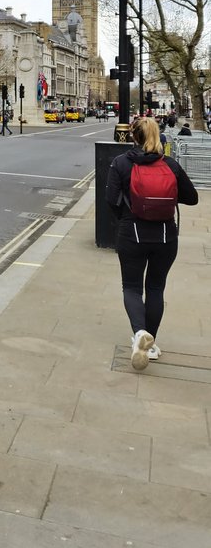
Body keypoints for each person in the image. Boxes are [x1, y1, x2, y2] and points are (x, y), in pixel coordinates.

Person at [106, 116, 198, 370]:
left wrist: (125, 218)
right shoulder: (170, 164)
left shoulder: (121, 163)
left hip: (131, 232)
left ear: (133, 136)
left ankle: (139, 334)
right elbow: (192, 198)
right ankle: (151, 344)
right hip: (165, 235)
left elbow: (110, 200)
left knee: (132, 287)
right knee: (156, 289)